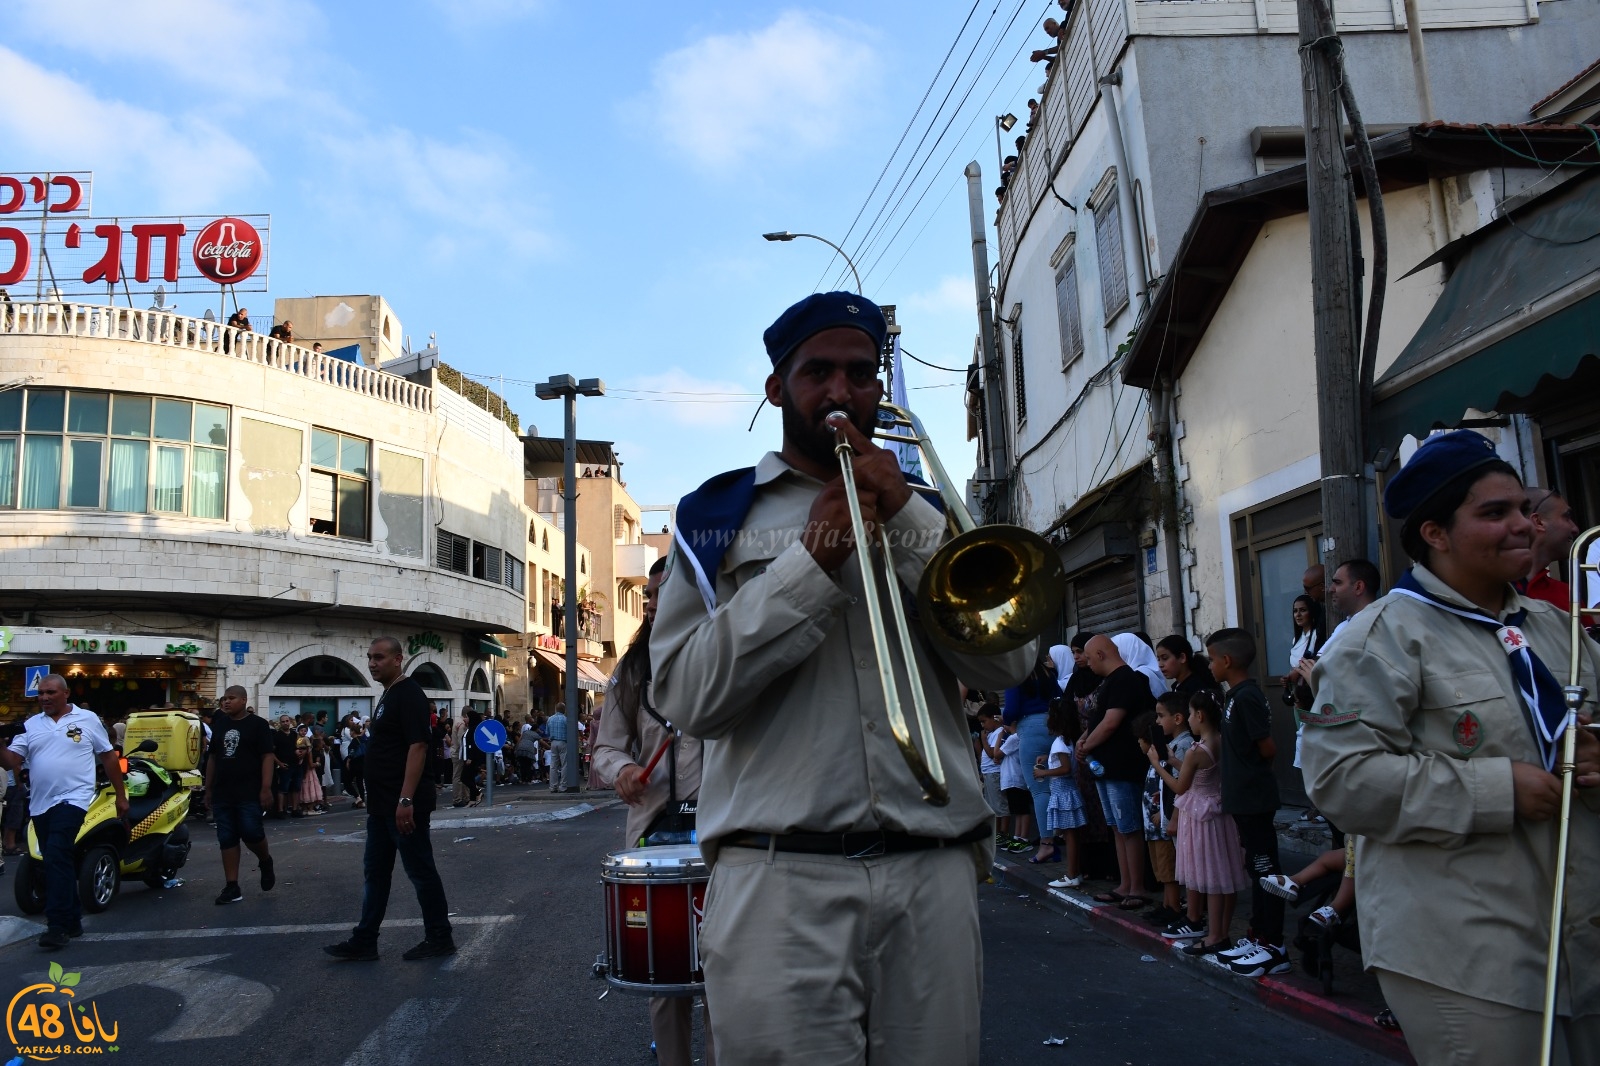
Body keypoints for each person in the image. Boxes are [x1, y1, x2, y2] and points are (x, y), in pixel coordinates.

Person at [650, 290, 1036, 1064]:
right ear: (776, 389)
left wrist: (913, 527)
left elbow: (1009, 663)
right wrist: (808, 565)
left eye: (860, 374)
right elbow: (689, 697)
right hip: (780, 882)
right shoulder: (716, 517)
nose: (840, 393)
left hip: (933, 871)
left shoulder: (927, 509)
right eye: (816, 372)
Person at [1302, 429, 1600, 1065]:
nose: (1524, 525)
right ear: (1434, 533)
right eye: (1495, 513)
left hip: (1579, 935)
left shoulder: (1555, 628)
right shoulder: (1377, 639)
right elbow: (1341, 780)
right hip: (1463, 955)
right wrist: (1499, 789)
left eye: (1524, 508)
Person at [594, 556, 716, 1066]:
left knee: (728, 973)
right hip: (654, 838)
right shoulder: (631, 669)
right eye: (647, 593)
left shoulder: (725, 654)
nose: (649, 602)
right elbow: (605, 747)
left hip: (723, 833)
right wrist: (621, 768)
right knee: (667, 976)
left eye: (661, 591)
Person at [324, 638, 455, 962]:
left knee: (420, 870)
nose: (372, 663)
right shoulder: (390, 693)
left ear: (398, 659)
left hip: (402, 805)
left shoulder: (408, 694)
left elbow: (418, 747)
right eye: (369, 657)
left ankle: (439, 937)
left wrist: (406, 800)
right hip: (382, 805)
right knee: (376, 872)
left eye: (379, 657)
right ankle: (366, 939)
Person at [0, 675, 126, 950]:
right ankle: (72, 920)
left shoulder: (88, 719)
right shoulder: (31, 725)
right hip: (41, 803)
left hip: (75, 798)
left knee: (57, 852)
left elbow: (107, 756)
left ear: (65, 693)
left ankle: (56, 926)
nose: (44, 697)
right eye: (41, 693)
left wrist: (120, 795)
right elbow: (12, 761)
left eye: (50, 692)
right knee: (56, 860)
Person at [1205, 628, 1289, 977]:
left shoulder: (1248, 697)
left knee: (1266, 869)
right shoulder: (1234, 696)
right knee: (1256, 868)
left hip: (1255, 800)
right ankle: (1258, 934)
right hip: (1242, 800)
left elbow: (1267, 747)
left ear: (1226, 661)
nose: (1209, 666)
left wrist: (1251, 780)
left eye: (1211, 659)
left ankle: (1274, 945)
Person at [1151, 689, 1249, 958]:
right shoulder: (1220, 740)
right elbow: (1202, 774)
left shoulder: (1197, 749)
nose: (1190, 720)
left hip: (1200, 817)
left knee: (1211, 876)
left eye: (1192, 714)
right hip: (1220, 813)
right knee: (1225, 874)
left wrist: (1157, 764)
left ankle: (1215, 935)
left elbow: (1181, 786)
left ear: (1200, 715)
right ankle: (1222, 932)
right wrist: (1173, 759)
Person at [1079, 634, 1155, 909]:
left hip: (1122, 765)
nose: (1086, 664)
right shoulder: (1109, 681)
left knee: (1129, 826)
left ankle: (1137, 886)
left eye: (1088, 658)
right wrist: (1084, 739)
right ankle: (1124, 884)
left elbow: (1112, 722)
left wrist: (1086, 746)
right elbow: (1100, 719)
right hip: (1106, 766)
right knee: (1116, 826)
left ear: (1100, 654)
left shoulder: (1125, 679)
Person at [205, 685, 276, 905]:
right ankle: (232, 886)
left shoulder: (258, 725)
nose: (226, 702)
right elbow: (213, 757)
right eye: (224, 699)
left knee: (251, 832)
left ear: (244, 700)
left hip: (249, 790)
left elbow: (267, 756)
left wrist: (266, 787)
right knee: (226, 838)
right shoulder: (220, 725)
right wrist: (208, 788)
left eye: (231, 698)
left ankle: (265, 860)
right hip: (223, 791)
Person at [1003, 655, 1058, 862]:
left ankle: (1046, 844)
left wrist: (1007, 721)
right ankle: (1062, 835)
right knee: (1059, 784)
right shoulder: (1048, 674)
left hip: (1030, 729)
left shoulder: (1015, 677)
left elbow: (1010, 710)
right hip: (1053, 725)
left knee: (1040, 790)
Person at [1033, 702, 1085, 888]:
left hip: (1062, 790)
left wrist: (1043, 773)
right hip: (1067, 790)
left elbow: (1065, 768)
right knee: (1071, 834)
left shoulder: (1060, 742)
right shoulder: (1067, 740)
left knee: (1070, 834)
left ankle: (1071, 874)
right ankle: (1075, 872)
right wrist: (1048, 758)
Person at [1519, 488, 1581, 609]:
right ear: (1539, 522)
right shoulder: (1492, 592)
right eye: (1566, 517)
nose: (1575, 529)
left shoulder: (1566, 595)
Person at [1155, 634, 1215, 700]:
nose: (1160, 665)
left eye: (1165, 658)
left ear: (1182, 658)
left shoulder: (1196, 689)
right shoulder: (1177, 686)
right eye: (1158, 659)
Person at [545, 703, 570, 792]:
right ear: (564, 709)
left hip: (553, 742)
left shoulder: (550, 719)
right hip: (563, 742)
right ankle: (563, 786)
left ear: (556, 709)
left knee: (553, 765)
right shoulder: (566, 719)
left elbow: (547, 732)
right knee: (564, 764)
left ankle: (553, 787)